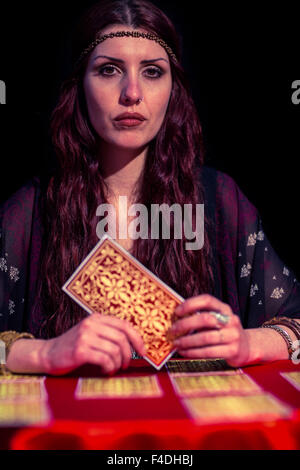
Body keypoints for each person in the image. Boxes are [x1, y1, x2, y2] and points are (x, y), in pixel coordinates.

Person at [1, 0, 300, 377]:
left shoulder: (220, 200)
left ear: (174, 89)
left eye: (153, 72)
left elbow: (296, 321)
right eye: (109, 70)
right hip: (76, 432)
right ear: (79, 86)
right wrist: (43, 353)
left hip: (196, 433)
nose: (132, 92)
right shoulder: (31, 210)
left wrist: (249, 343)